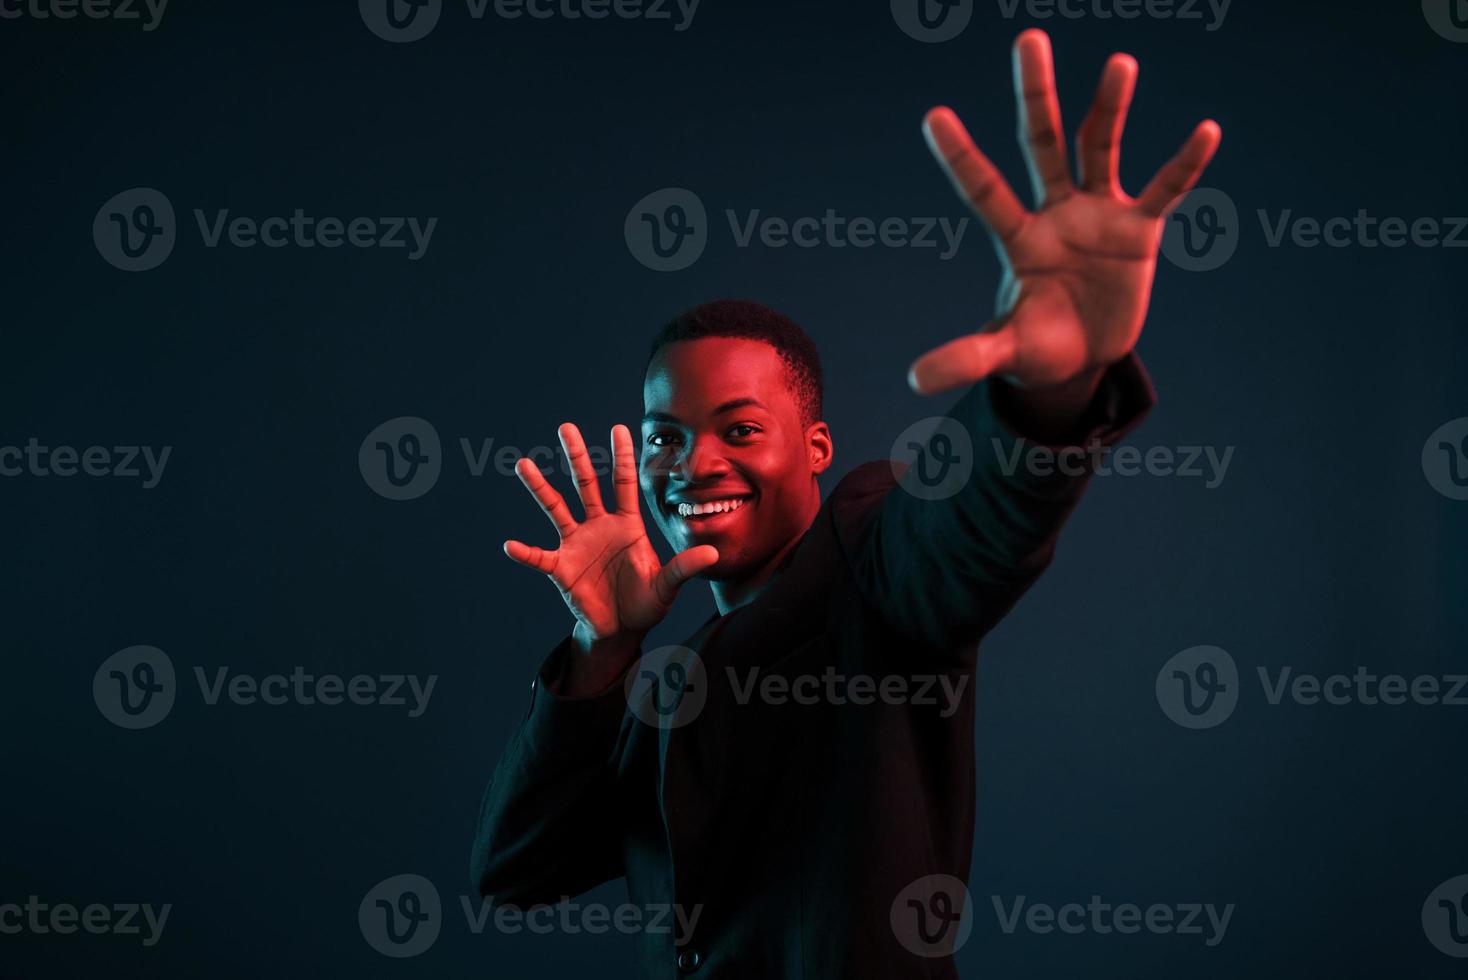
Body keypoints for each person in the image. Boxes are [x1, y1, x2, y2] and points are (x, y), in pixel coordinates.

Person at [471, 28, 1220, 978]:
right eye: (668, 436)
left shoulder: (871, 552)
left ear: (816, 448)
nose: (694, 465)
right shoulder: (665, 684)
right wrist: (601, 652)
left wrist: (1050, 393)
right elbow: (513, 873)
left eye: (740, 429)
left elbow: (977, 528)